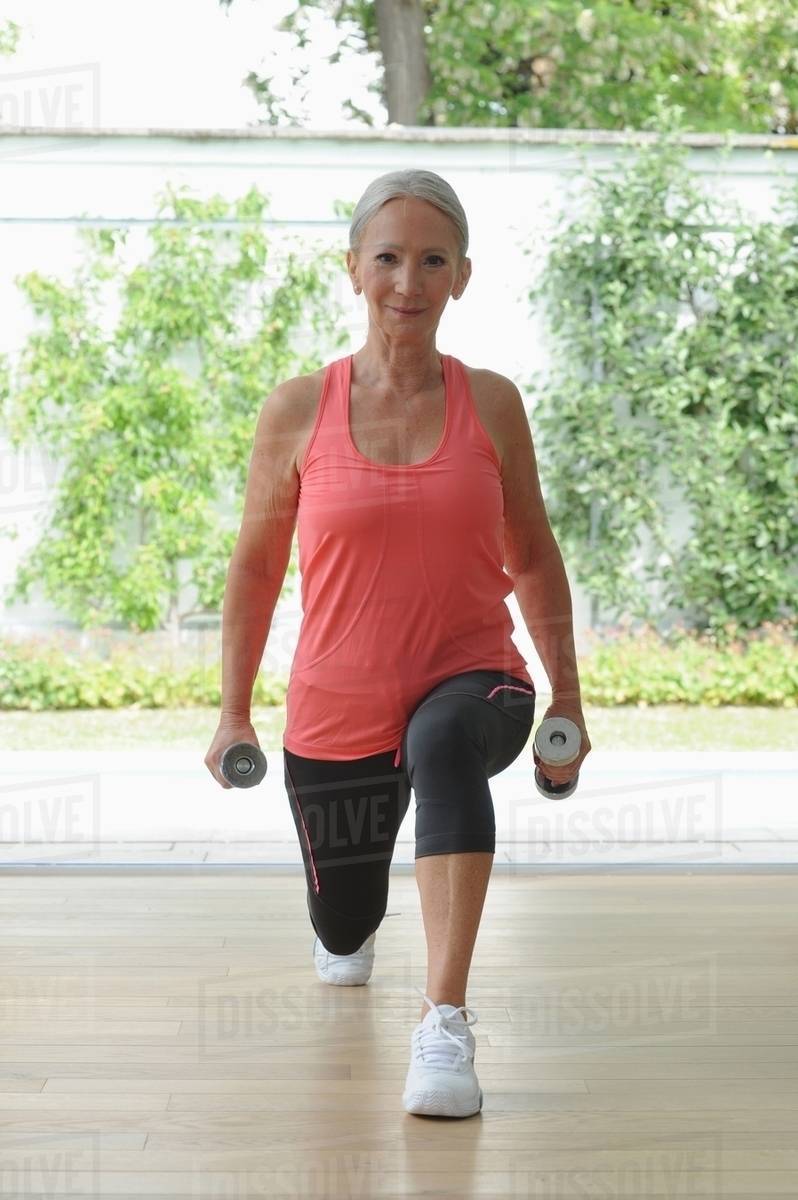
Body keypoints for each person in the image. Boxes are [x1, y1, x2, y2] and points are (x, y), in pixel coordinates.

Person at [205, 168, 592, 1118]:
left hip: (479, 681)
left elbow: (533, 556)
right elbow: (255, 569)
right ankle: (351, 925)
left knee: (442, 740)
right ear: (353, 270)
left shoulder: (492, 403)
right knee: (343, 928)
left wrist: (568, 699)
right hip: (337, 703)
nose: (407, 283)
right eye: (388, 258)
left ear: (462, 275)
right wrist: (231, 712)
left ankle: (445, 1022)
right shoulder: (297, 409)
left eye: (432, 260)